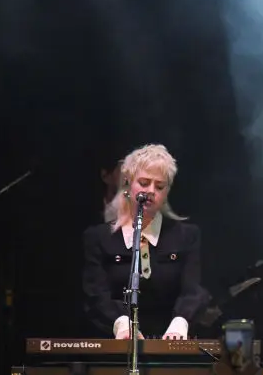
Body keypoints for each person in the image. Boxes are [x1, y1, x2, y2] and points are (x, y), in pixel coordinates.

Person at [82, 144, 210, 339]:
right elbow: (96, 294)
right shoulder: (99, 237)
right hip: (115, 346)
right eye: (143, 183)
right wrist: (121, 324)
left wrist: (180, 324)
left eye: (159, 186)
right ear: (128, 183)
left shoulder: (187, 236)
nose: (150, 191)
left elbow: (193, 290)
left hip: (170, 344)